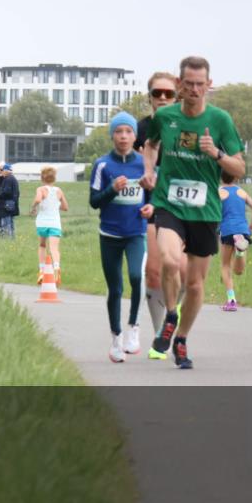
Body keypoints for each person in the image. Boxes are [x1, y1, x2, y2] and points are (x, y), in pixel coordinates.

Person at [140, 56, 245, 369]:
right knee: (170, 261)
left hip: (205, 209)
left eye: (201, 84)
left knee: (197, 285)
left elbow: (238, 168)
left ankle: (181, 338)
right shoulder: (166, 116)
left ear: (209, 85)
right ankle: (171, 314)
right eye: (190, 84)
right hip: (169, 203)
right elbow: (151, 144)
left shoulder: (221, 120)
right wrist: (149, 170)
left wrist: (217, 153)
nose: (196, 89)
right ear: (180, 85)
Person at [90, 113, 154, 362]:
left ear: (135, 136)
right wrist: (111, 189)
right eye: (119, 131)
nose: (124, 136)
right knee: (115, 288)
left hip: (136, 232)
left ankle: (133, 327)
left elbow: (152, 195)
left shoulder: (143, 164)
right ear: (112, 135)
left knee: (137, 277)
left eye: (128, 131)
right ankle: (116, 337)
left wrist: (152, 208)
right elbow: (94, 201)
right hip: (109, 234)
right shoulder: (102, 165)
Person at [134, 71, 186, 342]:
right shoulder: (140, 129)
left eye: (169, 94)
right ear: (150, 97)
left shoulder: (189, 125)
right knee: (153, 271)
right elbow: (128, 164)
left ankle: (174, 312)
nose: (163, 98)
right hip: (153, 206)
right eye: (158, 93)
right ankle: (161, 332)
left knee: (184, 271)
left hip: (187, 206)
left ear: (177, 96)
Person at [218, 171, 252, 311]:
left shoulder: (219, 192)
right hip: (243, 230)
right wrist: (251, 228)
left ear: (220, 176)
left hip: (227, 229)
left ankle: (231, 300)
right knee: (239, 271)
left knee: (225, 266)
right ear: (236, 177)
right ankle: (240, 252)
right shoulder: (242, 192)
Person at [31, 166, 68, 285]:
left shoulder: (41, 189)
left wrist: (34, 207)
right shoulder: (59, 191)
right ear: (54, 178)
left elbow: (37, 200)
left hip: (42, 222)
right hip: (55, 223)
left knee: (42, 245)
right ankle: (56, 270)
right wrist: (56, 205)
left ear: (42, 178)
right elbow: (65, 207)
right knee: (54, 248)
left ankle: (42, 271)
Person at [0, 163, 20, 239]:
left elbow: (7, 191)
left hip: (6, 206)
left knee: (5, 224)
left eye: (3, 170)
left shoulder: (8, 179)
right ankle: (11, 239)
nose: (2, 172)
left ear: (6, 170)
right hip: (11, 205)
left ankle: (6, 239)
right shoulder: (12, 178)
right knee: (10, 223)